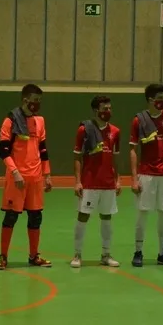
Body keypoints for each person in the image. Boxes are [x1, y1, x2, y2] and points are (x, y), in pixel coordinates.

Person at [0, 84, 53, 270]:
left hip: (35, 178)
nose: (37, 104)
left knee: (36, 217)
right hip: (17, 178)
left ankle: (34, 256)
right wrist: (15, 172)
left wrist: (47, 174)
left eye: (40, 101)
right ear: (25, 100)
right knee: (11, 217)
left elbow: (43, 149)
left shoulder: (40, 121)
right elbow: (3, 150)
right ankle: (3, 256)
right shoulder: (11, 120)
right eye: (35, 100)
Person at [129, 83, 163, 267]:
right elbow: (133, 150)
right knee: (142, 213)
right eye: (159, 98)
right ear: (150, 100)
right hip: (146, 174)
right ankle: (138, 251)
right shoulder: (139, 120)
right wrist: (134, 178)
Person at [71, 95, 121, 268]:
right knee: (83, 216)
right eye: (105, 109)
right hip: (89, 182)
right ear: (95, 110)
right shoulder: (84, 130)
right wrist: (78, 181)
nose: (108, 111)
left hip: (108, 183)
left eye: (110, 108)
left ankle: (106, 255)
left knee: (106, 217)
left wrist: (118, 180)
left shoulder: (115, 131)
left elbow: (115, 158)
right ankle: (77, 254)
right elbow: (77, 157)